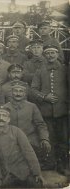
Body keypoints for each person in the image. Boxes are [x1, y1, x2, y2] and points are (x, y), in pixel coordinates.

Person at [31, 45, 68, 175]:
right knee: (49, 138)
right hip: (46, 112)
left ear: (58, 54)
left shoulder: (65, 70)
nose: (50, 55)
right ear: (45, 55)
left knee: (63, 139)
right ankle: (50, 163)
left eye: (53, 53)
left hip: (63, 112)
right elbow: (33, 89)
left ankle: (63, 164)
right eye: (48, 53)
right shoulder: (39, 71)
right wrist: (44, 97)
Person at [0, 106, 44, 188]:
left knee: (38, 184)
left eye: (4, 116)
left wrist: (37, 173)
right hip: (6, 174)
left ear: (8, 119)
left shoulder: (17, 131)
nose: (1, 118)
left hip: (23, 171)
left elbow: (29, 152)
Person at [4, 81, 54, 170]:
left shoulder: (32, 106)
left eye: (21, 91)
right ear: (11, 93)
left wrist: (44, 139)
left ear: (24, 93)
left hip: (30, 139)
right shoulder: (5, 107)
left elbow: (40, 124)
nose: (18, 94)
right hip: (12, 140)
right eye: (15, 91)